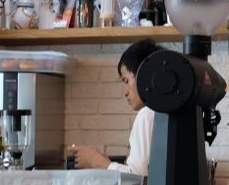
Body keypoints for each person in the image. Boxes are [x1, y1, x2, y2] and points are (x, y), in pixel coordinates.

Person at [69, 39, 162, 175]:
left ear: (144, 76)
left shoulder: (147, 114)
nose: (125, 92)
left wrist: (99, 162)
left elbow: (137, 179)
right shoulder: (166, 112)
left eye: (126, 80)